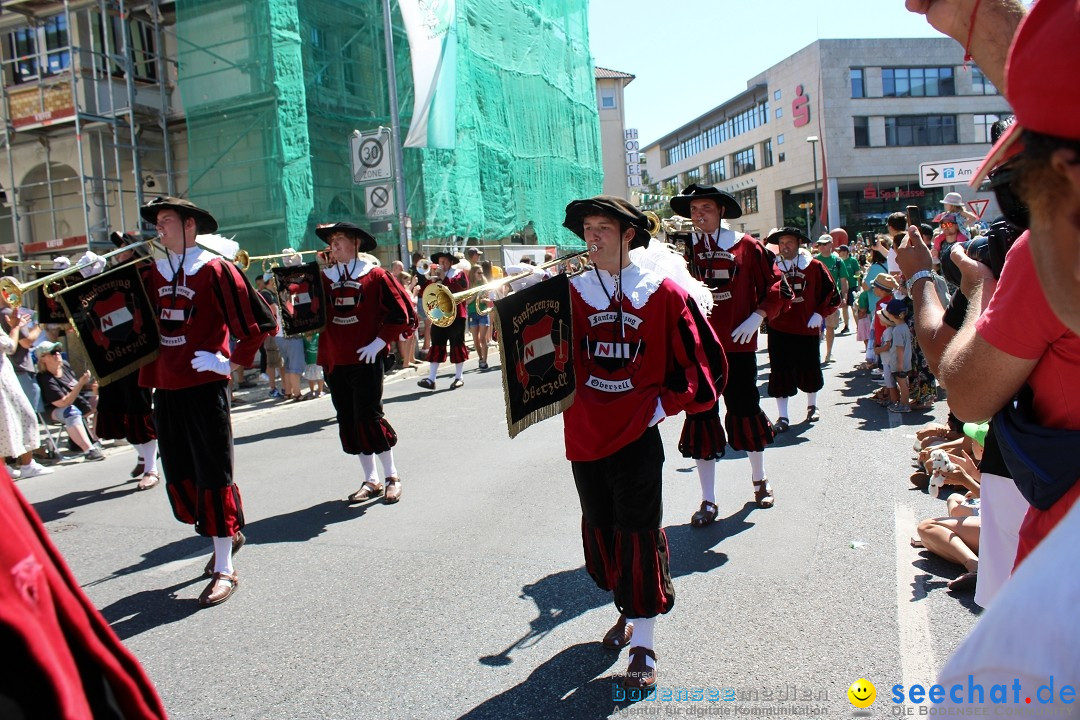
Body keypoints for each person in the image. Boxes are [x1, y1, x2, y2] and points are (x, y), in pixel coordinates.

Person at [561, 195, 722, 691]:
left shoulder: (664, 293)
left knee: (637, 530)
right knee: (606, 529)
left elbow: (701, 361)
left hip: (636, 432)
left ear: (629, 234)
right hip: (585, 432)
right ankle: (626, 610)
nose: (593, 237)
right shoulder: (568, 291)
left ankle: (645, 643)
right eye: (588, 228)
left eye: (604, 228)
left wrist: (665, 405)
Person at [137, 196, 274, 608]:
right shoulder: (147, 274)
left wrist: (226, 358)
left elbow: (260, 323)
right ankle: (227, 534)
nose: (158, 228)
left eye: (166, 220)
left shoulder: (216, 269)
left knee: (213, 472)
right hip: (166, 386)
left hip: (204, 386)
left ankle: (223, 568)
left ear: (190, 226)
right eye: (157, 222)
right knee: (180, 471)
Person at [671, 184, 785, 524]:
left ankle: (759, 481)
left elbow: (777, 286)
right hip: (697, 347)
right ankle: (708, 501)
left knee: (746, 410)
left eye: (705, 207)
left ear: (721, 210)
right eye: (693, 209)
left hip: (737, 345)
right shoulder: (681, 248)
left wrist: (759, 315)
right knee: (701, 416)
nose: (698, 214)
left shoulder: (747, 246)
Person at [314, 222, 416, 505]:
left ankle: (391, 476)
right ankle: (370, 479)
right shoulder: (323, 278)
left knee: (369, 416)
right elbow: (305, 313)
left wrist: (380, 341)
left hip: (366, 359)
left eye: (340, 240)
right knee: (348, 418)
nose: (333, 245)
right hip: (336, 361)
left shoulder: (376, 275)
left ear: (355, 243)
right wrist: (307, 275)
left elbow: (402, 313)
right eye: (331, 240)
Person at [91, 232, 160, 489]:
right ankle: (143, 456)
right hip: (113, 352)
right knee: (116, 408)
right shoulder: (112, 274)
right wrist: (89, 277)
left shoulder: (147, 272)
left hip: (138, 350)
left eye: (122, 247)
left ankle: (152, 468)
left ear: (133, 249)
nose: (117, 251)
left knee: (138, 407)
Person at [765, 227, 840, 431]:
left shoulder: (814, 266)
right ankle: (783, 417)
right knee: (780, 371)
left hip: (806, 327)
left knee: (810, 369)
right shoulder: (772, 267)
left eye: (789, 242)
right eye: (781, 243)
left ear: (799, 244)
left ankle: (812, 406)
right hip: (779, 328)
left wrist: (820, 313)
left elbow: (832, 292)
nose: (784, 246)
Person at [0, 311, 51, 478]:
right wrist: (15, 327)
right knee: (25, 415)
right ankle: (27, 465)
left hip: (6, 376)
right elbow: (9, 346)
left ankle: (8, 468)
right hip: (3, 380)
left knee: (6, 422)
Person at [35, 341, 104, 461]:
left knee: (102, 400)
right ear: (43, 359)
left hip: (75, 401)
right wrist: (81, 384)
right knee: (71, 411)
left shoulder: (65, 365)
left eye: (58, 351)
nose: (57, 354)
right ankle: (89, 450)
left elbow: (74, 386)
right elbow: (63, 403)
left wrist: (90, 386)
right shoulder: (45, 379)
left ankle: (95, 439)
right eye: (52, 352)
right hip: (53, 410)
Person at [418, 252, 469, 390]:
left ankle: (459, 377)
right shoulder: (436, 276)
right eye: (440, 262)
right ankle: (431, 379)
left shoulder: (459, 273)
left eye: (444, 262)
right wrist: (430, 280)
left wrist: (444, 278)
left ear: (451, 262)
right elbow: (425, 293)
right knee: (437, 344)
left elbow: (462, 288)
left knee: (457, 344)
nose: (442, 265)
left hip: (457, 315)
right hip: (439, 314)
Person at [812, 234, 845, 362]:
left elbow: (843, 281)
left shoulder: (838, 261)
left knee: (831, 327)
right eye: (819, 244)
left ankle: (828, 353)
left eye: (824, 244)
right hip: (816, 299)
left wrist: (844, 297)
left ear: (831, 245)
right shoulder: (814, 260)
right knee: (816, 328)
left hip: (832, 299)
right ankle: (816, 354)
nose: (821, 246)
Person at [466, 264, 492, 370]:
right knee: (475, 340)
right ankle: (480, 358)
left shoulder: (485, 284)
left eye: (482, 273)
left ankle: (484, 361)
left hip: (483, 313)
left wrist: (485, 300)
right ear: (473, 274)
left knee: (482, 339)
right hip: (472, 313)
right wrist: (474, 296)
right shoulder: (469, 285)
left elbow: (490, 300)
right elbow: (466, 302)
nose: (481, 275)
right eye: (479, 273)